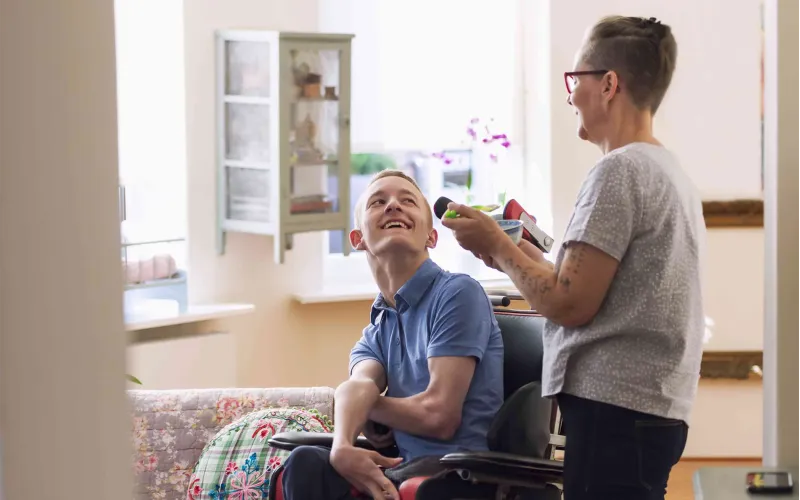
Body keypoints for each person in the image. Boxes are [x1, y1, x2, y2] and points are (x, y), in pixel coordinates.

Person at [441, 15, 705, 500]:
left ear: (608, 84)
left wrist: (498, 245)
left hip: (616, 412)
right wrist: (508, 251)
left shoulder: (619, 172)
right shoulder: (667, 171)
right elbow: (588, 290)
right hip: (649, 410)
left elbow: (568, 303)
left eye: (575, 79)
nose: (570, 96)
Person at [280, 169, 504, 500]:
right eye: (378, 202)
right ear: (358, 239)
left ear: (431, 237)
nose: (393, 206)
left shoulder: (458, 293)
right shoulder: (379, 325)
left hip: (457, 476)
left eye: (408, 201)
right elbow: (355, 387)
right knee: (306, 463)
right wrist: (342, 447)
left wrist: (367, 406)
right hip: (403, 467)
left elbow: (440, 416)